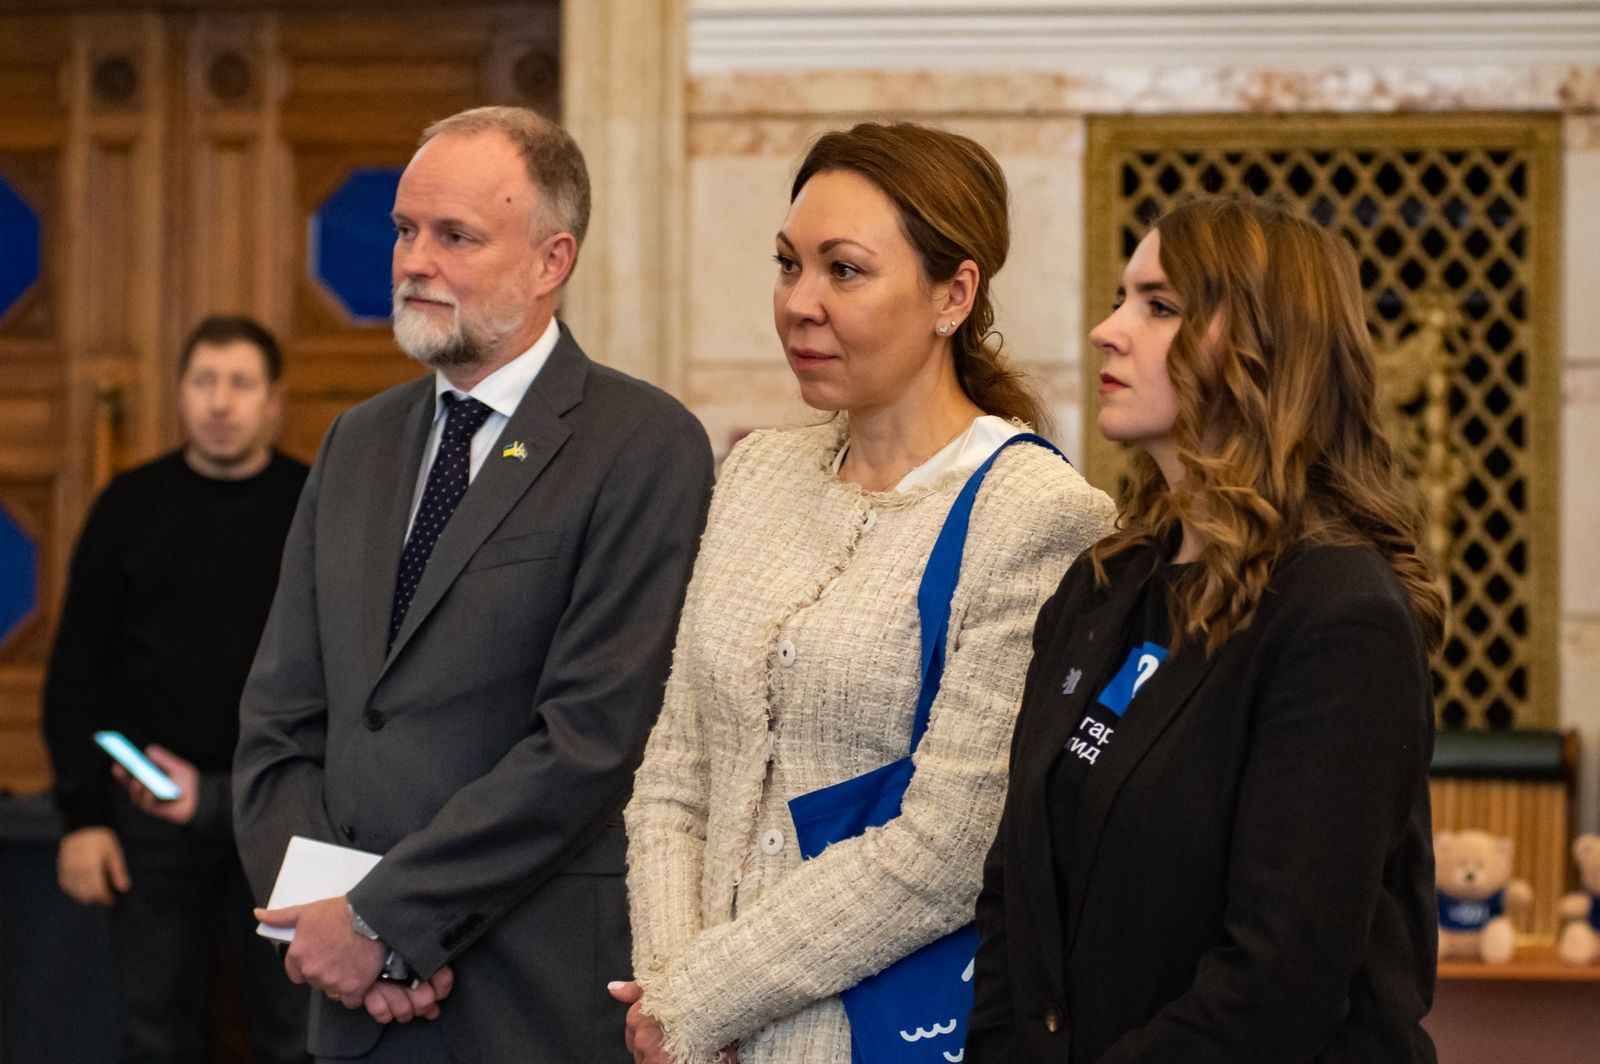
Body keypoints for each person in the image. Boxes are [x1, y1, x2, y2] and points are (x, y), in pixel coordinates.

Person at [615, 121, 1116, 1064]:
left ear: (953, 295)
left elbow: (949, 846)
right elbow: (677, 773)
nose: (799, 304)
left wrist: (698, 1001)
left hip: (873, 1036)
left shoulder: (1034, 511)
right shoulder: (757, 473)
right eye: (787, 265)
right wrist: (670, 999)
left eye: (843, 271)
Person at [233, 106, 714, 1063]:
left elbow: (590, 741)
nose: (414, 262)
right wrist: (331, 931)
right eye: (405, 230)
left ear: (551, 260)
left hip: (528, 999)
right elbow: (281, 720)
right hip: (355, 1013)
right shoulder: (357, 441)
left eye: (455, 236)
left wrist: (385, 922)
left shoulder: (644, 445)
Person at [968, 195, 1445, 1063]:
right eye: (1122, 299)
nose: (1108, 331)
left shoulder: (1339, 616)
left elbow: (1280, 982)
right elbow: (1015, 896)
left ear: (1266, 345)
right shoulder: (1101, 588)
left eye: (1159, 306)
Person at [42, 314, 311, 1063]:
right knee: (158, 1034)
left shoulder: (314, 504)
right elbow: (77, 670)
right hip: (149, 811)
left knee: (297, 1036)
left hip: (282, 809)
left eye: (240, 383)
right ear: (180, 392)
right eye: (204, 381)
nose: (220, 402)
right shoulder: (129, 505)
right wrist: (82, 818)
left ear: (273, 401)